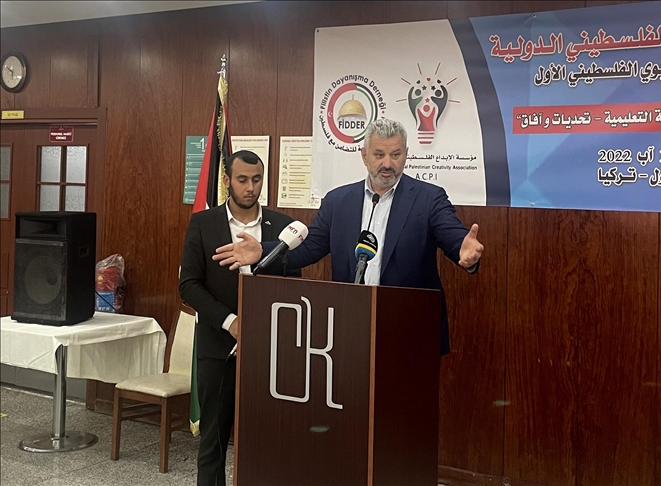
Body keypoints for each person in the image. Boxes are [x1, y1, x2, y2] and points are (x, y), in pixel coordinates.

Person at [212, 118, 483, 355]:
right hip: (349, 327)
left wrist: (464, 250)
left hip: (409, 330)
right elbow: (310, 247)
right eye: (379, 154)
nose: (387, 164)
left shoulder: (428, 198)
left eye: (396, 154)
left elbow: (452, 234)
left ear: (406, 154)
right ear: (364, 155)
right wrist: (264, 251)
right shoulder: (338, 201)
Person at [179, 150, 301, 486]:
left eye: (257, 180)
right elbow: (188, 285)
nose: (250, 187)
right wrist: (230, 321)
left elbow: (294, 281)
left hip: (269, 351)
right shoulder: (204, 223)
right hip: (218, 349)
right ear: (227, 181)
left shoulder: (282, 226)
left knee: (267, 440)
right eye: (243, 180)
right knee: (213, 442)